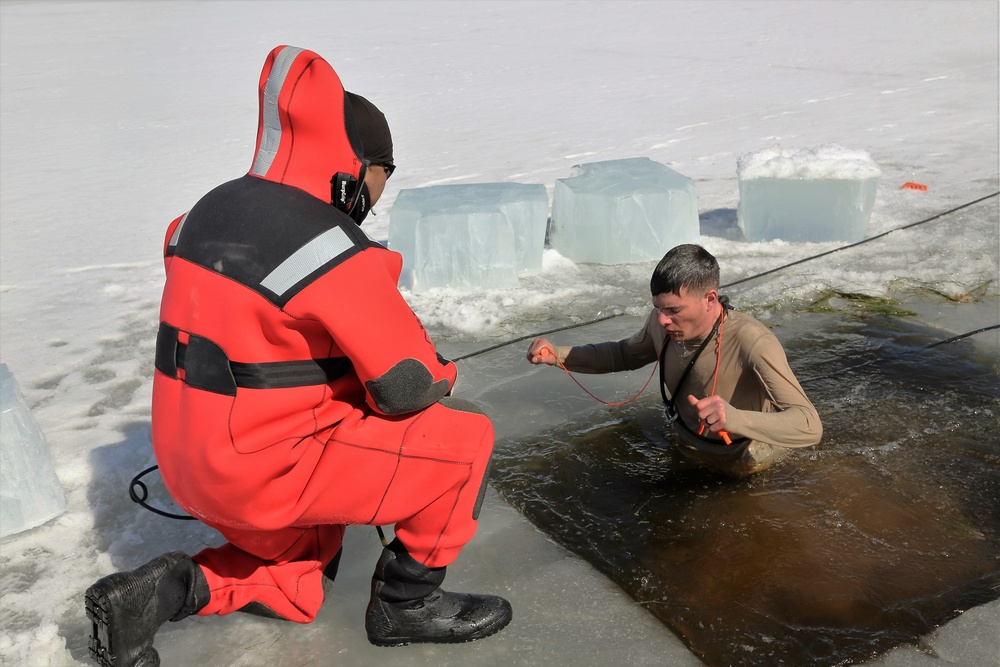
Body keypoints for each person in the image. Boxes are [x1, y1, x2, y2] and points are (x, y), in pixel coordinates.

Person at [85, 45, 511, 667]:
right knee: (465, 439)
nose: (375, 199)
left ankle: (169, 591)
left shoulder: (202, 212)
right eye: (379, 180)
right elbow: (405, 387)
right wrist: (442, 373)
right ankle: (407, 603)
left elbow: (255, 327)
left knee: (300, 583)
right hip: (266, 470)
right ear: (356, 167)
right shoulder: (329, 244)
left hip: (186, 463)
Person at [526, 244, 822, 477]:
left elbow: (809, 425)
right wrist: (558, 354)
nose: (663, 319)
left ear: (710, 299)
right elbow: (623, 354)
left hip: (744, 461)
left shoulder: (752, 341)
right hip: (685, 445)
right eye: (658, 308)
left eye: (674, 310)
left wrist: (734, 418)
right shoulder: (661, 322)